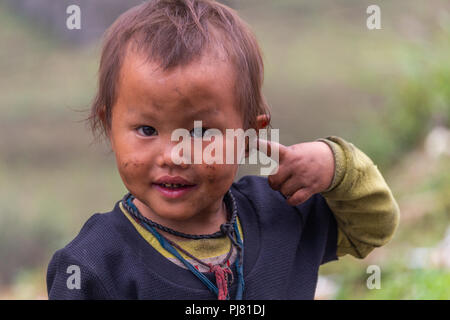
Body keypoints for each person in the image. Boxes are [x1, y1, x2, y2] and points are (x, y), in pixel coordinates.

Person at [46, 0, 400, 300]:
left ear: (248, 135)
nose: (174, 154)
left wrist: (336, 166)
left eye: (200, 132)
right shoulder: (94, 265)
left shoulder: (280, 214)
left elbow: (372, 226)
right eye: (147, 130)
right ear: (109, 127)